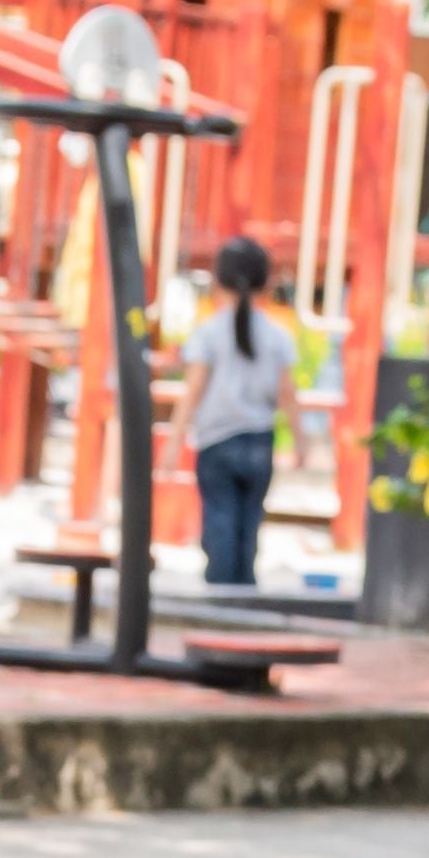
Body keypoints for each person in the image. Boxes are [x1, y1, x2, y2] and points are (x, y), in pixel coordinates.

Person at [169, 233, 297, 590]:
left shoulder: (208, 334)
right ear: (266, 281)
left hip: (217, 441)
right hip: (260, 438)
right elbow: (288, 392)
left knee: (220, 520)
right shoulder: (277, 335)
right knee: (249, 522)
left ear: (216, 279)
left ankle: (222, 595)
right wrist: (301, 441)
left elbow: (193, 390)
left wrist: (173, 440)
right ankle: (244, 592)